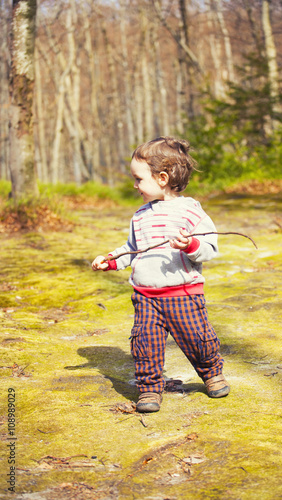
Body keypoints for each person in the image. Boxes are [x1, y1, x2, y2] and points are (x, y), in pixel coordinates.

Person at [92, 136, 230, 413]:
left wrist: (191, 245)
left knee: (198, 339)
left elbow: (210, 248)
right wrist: (111, 260)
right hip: (145, 296)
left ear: (163, 178)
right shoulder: (140, 216)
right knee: (145, 345)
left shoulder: (190, 211)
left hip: (182, 294)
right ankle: (149, 390)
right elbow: (132, 249)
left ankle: (212, 373)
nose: (135, 185)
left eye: (139, 179)